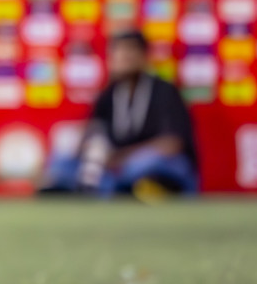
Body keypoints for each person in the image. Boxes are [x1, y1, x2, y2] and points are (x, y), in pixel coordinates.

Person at [39, 30, 199, 198]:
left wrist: (122, 157)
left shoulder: (164, 91)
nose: (124, 58)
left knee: (145, 163)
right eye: (118, 52)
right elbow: (93, 131)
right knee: (63, 160)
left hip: (151, 163)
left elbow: (172, 144)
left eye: (130, 51)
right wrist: (85, 151)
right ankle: (67, 186)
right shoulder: (109, 94)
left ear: (144, 56)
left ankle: (150, 188)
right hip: (114, 166)